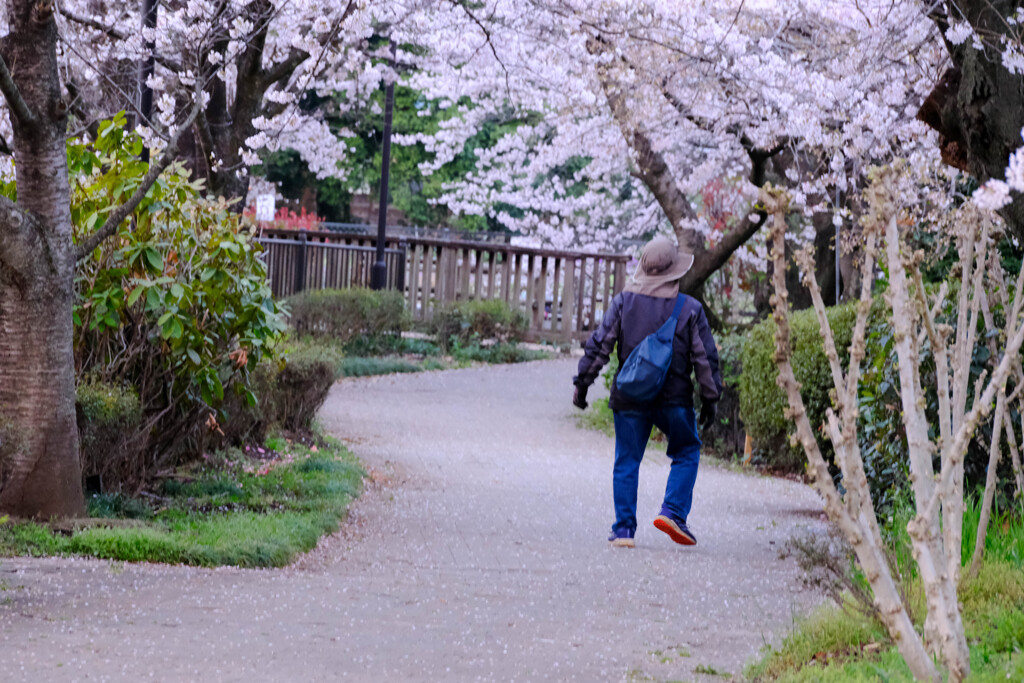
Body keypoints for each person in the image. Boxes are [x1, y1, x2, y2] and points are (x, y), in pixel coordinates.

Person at [572, 237, 722, 548]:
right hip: (674, 399)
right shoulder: (689, 308)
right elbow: (705, 359)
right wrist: (711, 398)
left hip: (630, 396)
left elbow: (600, 344)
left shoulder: (624, 301)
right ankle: (673, 512)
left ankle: (624, 530)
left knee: (627, 460)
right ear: (674, 271)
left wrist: (582, 383)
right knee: (687, 450)